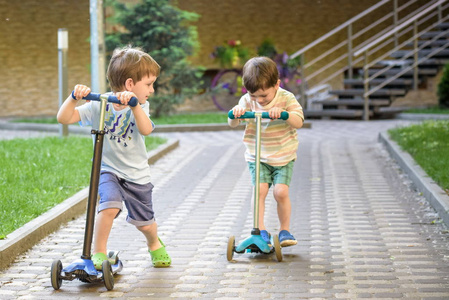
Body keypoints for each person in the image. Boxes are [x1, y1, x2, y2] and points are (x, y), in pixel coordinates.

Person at [57, 46, 171, 268]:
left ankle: (154, 243)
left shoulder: (140, 106)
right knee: (108, 207)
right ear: (130, 84)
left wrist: (134, 106)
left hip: (136, 175)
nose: (152, 90)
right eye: (149, 84)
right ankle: (98, 253)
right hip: (108, 169)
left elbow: (146, 129)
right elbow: (65, 118)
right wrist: (73, 97)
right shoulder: (100, 104)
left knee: (145, 223)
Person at [228, 56, 304, 247]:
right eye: (254, 96)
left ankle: (284, 230)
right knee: (259, 191)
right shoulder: (247, 100)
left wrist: (285, 114)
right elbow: (232, 123)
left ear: (277, 84)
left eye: (264, 96)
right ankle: (259, 230)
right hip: (258, 156)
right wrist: (235, 113)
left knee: (280, 192)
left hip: (283, 155)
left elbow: (299, 121)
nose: (259, 101)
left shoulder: (286, 98)